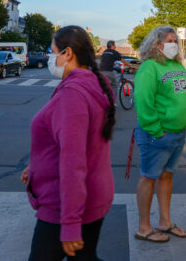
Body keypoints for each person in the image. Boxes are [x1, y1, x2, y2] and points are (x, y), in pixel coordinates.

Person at [22, 26, 116, 261]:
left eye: (53, 52)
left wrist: (71, 223)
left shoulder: (73, 93)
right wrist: (36, 166)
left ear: (69, 53)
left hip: (65, 204)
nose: (50, 58)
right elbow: (80, 144)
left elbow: (73, 161)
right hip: (92, 195)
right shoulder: (94, 83)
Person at [133, 26, 186, 243]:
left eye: (175, 41)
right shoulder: (149, 68)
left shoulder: (177, 65)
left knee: (166, 176)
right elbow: (144, 104)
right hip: (157, 135)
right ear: (157, 44)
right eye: (170, 41)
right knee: (148, 177)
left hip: (178, 134)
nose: (174, 45)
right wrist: (157, 131)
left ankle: (165, 222)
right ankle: (144, 227)